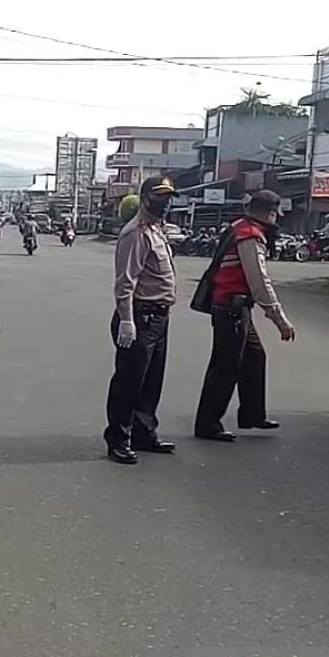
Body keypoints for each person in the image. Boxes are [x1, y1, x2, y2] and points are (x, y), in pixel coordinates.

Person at [194, 190, 296, 442]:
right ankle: (208, 424)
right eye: (275, 217)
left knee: (254, 357)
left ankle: (252, 414)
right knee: (225, 368)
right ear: (271, 214)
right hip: (232, 310)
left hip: (235, 309)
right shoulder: (250, 237)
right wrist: (279, 319)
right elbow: (259, 282)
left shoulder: (239, 226)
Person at [103, 176, 179, 465]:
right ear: (146, 197)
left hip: (159, 316)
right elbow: (125, 282)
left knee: (151, 381)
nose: (165, 202)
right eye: (160, 196)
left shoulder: (158, 231)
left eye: (169, 196)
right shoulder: (135, 233)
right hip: (139, 316)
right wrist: (126, 319)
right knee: (129, 382)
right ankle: (118, 439)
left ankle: (144, 432)